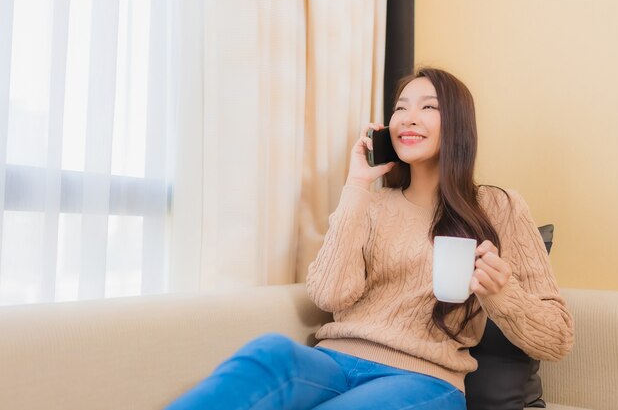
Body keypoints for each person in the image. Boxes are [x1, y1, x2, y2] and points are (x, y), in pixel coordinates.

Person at [164, 67, 574, 410]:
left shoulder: (498, 208)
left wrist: (502, 293)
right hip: (334, 362)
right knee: (270, 355)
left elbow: (558, 338)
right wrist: (356, 186)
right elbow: (328, 295)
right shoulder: (373, 205)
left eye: (428, 107)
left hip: (427, 381)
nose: (408, 118)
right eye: (400, 108)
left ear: (459, 125)